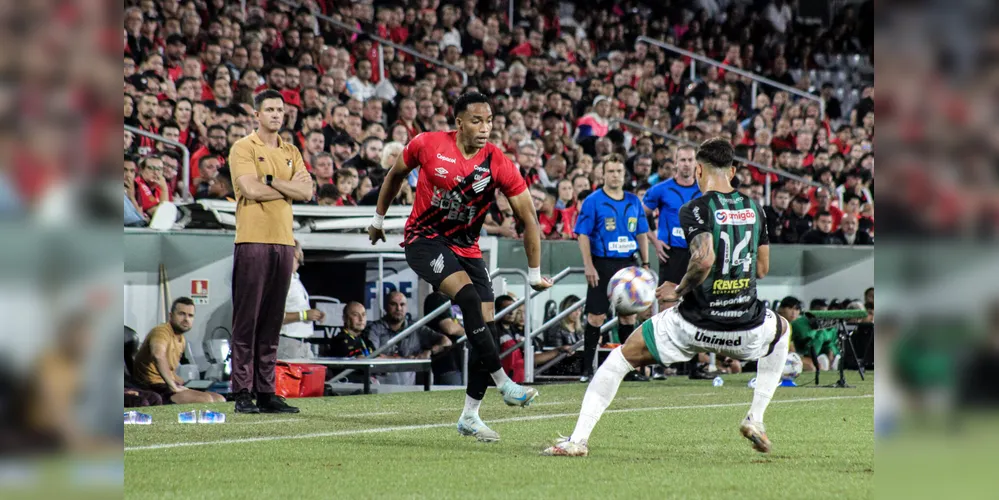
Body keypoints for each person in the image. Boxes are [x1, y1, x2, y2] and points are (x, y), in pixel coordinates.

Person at [544, 138, 788, 457]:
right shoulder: (755, 209)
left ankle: (577, 441)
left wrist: (678, 289)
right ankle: (756, 418)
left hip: (694, 324)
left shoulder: (696, 208)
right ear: (733, 170)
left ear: (698, 170)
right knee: (782, 331)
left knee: (618, 360)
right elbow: (763, 269)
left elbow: (702, 259)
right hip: (746, 326)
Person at [367, 92, 552, 443]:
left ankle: (470, 416)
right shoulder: (427, 144)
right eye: (477, 121)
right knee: (467, 299)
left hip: (466, 248)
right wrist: (378, 220)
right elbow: (394, 176)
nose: (485, 129)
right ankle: (506, 384)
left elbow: (528, 217)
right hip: (424, 240)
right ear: (459, 123)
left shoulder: (498, 162)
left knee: (488, 329)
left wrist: (532, 273)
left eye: (490, 121)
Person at [227, 89, 315, 414]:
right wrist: (285, 185)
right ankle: (242, 392)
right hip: (251, 240)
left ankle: (266, 391)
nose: (276, 114)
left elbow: (307, 191)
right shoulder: (243, 147)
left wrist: (271, 181)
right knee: (246, 320)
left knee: (273, 321)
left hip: (284, 242)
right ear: (256, 114)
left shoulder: (291, 150)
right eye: (270, 109)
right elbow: (249, 188)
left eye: (280, 109)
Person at [574, 154, 650, 383]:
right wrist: (588, 265)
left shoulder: (633, 201)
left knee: (628, 318)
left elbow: (641, 233)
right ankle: (587, 370)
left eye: (619, 171)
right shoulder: (593, 201)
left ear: (623, 174)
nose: (615, 175)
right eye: (611, 171)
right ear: (603, 174)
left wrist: (645, 265)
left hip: (628, 264)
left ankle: (629, 369)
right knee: (595, 317)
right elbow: (583, 235)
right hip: (602, 263)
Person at [132, 297, 226, 404]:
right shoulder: (161, 332)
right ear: (171, 315)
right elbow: (158, 355)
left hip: (166, 385)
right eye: (181, 314)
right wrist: (173, 385)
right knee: (206, 400)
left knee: (219, 399)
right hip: (153, 388)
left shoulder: (181, 340)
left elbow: (169, 368)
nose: (186, 319)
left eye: (190, 315)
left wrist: (178, 380)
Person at [642, 145, 701, 295]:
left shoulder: (705, 191)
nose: (686, 164)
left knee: (696, 305)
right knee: (667, 302)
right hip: (671, 253)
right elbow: (637, 216)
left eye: (690, 160)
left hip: (698, 253)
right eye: (682, 160)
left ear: (696, 163)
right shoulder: (661, 189)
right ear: (676, 162)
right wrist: (654, 241)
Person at [364, 291, 453, 385]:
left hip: (408, 391)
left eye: (402, 304)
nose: (398, 308)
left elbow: (446, 342)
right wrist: (406, 359)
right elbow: (373, 357)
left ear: (406, 307)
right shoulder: (374, 328)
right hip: (380, 390)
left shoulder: (415, 328)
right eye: (393, 304)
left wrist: (430, 351)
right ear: (385, 306)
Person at [278, 240, 325, 360]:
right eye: (301, 251)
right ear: (296, 254)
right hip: (288, 344)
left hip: (303, 344)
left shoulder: (294, 278)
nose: (303, 254)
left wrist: (315, 315)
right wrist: (304, 315)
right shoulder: (281, 280)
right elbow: (273, 316)